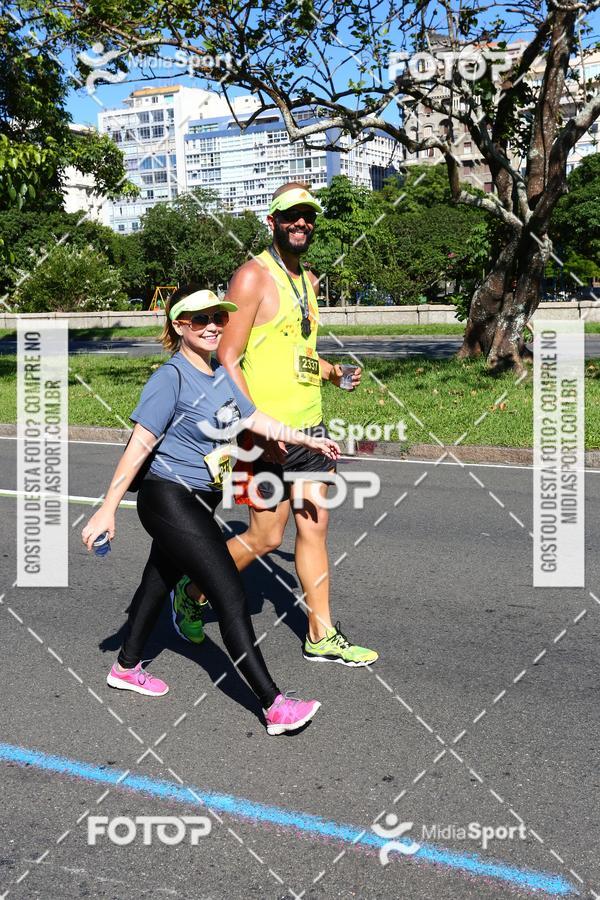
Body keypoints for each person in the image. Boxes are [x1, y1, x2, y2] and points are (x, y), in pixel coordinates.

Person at [81, 285, 341, 736]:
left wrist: (305, 439)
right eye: (199, 320)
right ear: (179, 326)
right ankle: (274, 705)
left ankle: (125, 667)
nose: (212, 327)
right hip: (168, 498)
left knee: (157, 582)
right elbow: (139, 446)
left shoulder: (220, 371)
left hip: (200, 499)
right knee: (230, 595)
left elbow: (253, 418)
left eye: (218, 319)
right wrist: (107, 509)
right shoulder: (172, 378)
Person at [171, 183, 378, 667]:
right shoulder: (252, 278)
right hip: (260, 433)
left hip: (310, 428)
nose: (301, 224)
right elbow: (228, 356)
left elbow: (297, 352)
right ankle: (193, 591)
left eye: (308, 217)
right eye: (291, 217)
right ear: (273, 222)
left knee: (315, 527)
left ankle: (321, 634)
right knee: (265, 537)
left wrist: (331, 372)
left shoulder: (306, 279)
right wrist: (255, 428)